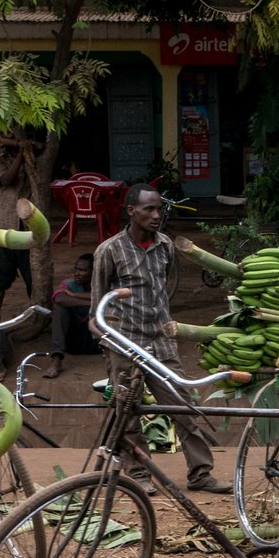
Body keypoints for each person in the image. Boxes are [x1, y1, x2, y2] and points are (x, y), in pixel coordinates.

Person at [90, 185, 230, 493]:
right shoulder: (109, 251)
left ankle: (201, 474)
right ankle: (138, 474)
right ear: (131, 212)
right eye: (149, 210)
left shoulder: (165, 246)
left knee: (182, 406)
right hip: (124, 344)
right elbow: (96, 309)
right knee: (127, 412)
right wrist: (110, 343)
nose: (156, 215)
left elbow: (160, 289)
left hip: (161, 343)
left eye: (159, 209)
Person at [0, 130, 43, 313]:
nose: (9, 135)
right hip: (5, 224)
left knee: (32, 276)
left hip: (28, 227)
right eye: (5, 133)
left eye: (13, 132)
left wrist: (20, 145)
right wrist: (20, 152)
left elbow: (42, 147)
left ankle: (37, 314)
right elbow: (6, 179)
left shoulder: (32, 152)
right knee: (0, 277)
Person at [46, 252, 100, 378]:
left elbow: (108, 297)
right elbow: (59, 299)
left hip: (97, 342)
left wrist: (75, 296)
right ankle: (56, 359)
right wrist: (94, 303)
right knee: (60, 308)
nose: (77, 273)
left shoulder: (102, 285)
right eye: (76, 269)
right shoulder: (70, 283)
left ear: (94, 271)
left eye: (82, 270)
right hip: (73, 341)